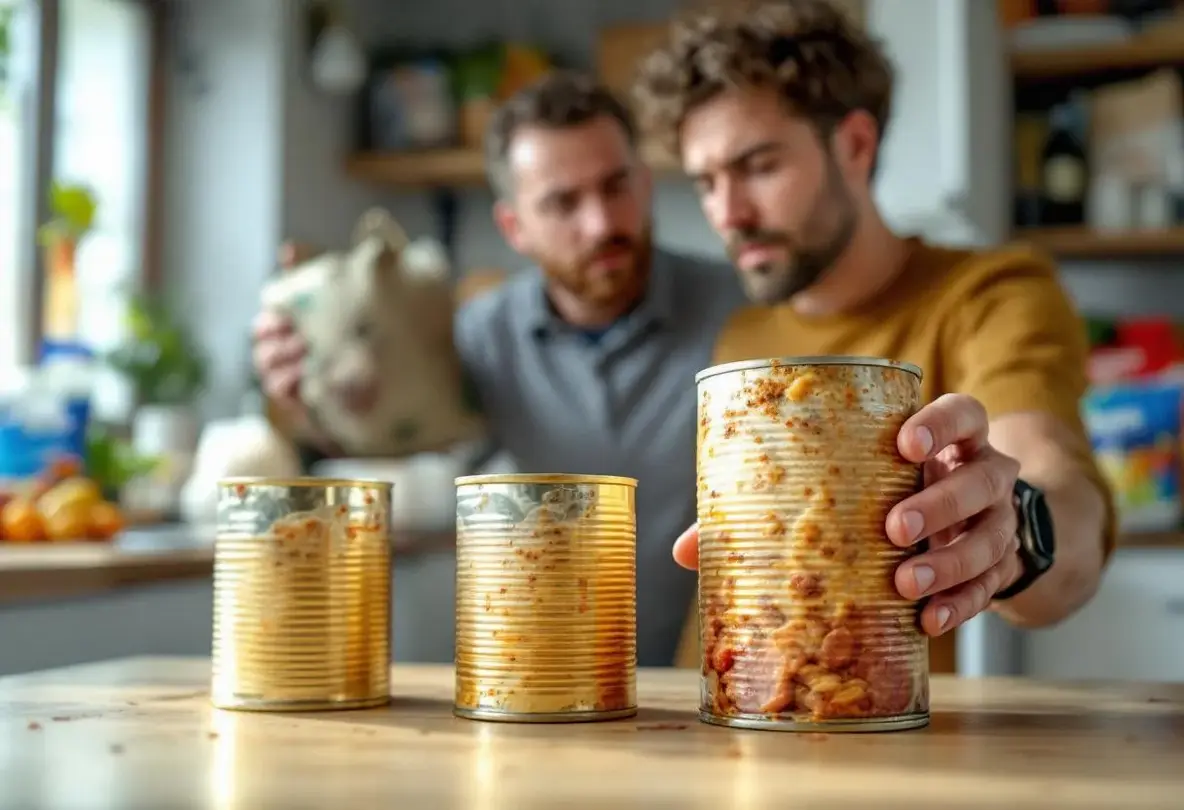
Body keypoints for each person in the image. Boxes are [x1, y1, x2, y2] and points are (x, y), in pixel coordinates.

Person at [631, 0, 1115, 672]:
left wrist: (1015, 529)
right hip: (713, 728)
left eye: (760, 166)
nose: (728, 214)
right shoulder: (741, 334)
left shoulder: (989, 294)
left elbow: (1054, 480)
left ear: (855, 145)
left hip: (874, 737)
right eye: (707, 182)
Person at [252, 71, 748, 667]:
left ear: (644, 184)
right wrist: (308, 396)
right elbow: (389, 448)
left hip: (721, 679)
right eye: (562, 202)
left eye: (616, 187)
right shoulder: (478, 334)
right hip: (543, 681)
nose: (601, 223)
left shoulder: (744, 310)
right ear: (513, 226)